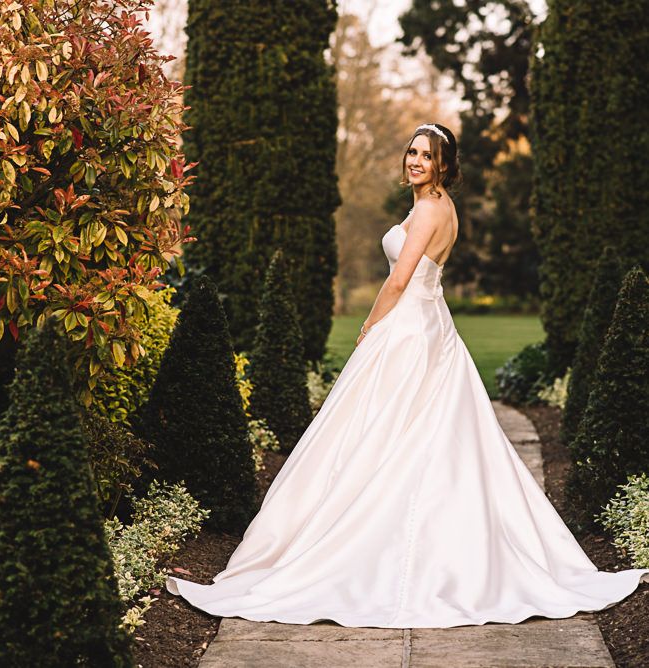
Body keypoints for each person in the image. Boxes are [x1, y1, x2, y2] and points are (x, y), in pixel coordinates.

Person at [166, 123, 649, 628]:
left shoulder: (428, 209)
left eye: (427, 155)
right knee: (411, 435)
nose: (415, 160)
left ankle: (383, 551)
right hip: (430, 324)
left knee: (385, 435)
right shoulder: (441, 207)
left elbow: (399, 279)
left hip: (410, 330)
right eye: (412, 151)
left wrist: (369, 326)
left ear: (443, 165)